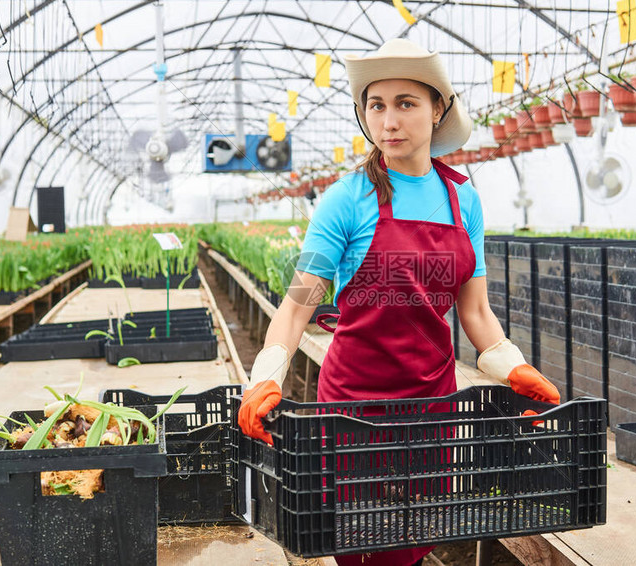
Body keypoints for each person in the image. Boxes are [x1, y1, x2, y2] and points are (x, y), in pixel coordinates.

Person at [238, 38, 560, 566]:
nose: (389, 120)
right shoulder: (347, 199)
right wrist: (267, 375)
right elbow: (298, 305)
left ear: (438, 109)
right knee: (360, 545)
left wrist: (514, 366)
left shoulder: (464, 202)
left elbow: (474, 311)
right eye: (376, 105)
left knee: (414, 537)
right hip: (353, 407)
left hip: (431, 404)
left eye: (406, 103)